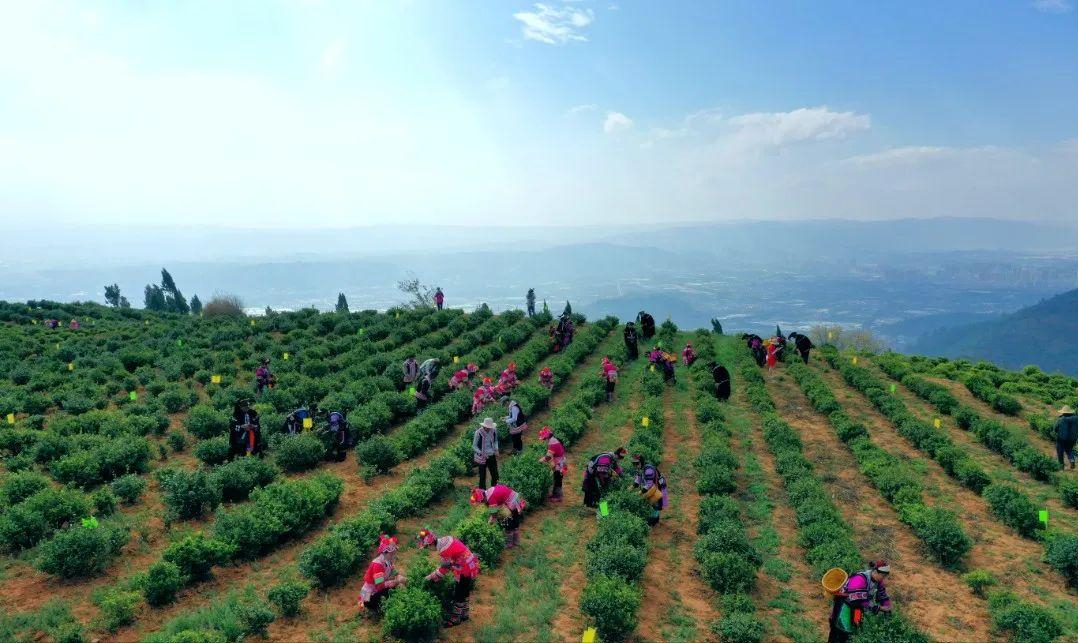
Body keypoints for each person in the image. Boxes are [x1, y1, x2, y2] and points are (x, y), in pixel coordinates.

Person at [417, 528, 480, 626]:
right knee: (465, 590)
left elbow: (444, 568)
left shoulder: (443, 550)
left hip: (465, 568)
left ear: (431, 544)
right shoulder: (446, 539)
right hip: (470, 563)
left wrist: (431, 576)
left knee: (459, 593)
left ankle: (455, 619)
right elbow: (450, 563)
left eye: (427, 547)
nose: (428, 549)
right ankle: (465, 614)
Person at [827, 560, 893, 643]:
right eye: (883, 576)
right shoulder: (859, 579)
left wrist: (887, 606)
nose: (883, 579)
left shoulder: (878, 581)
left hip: (856, 610)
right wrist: (879, 608)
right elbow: (861, 601)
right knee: (839, 634)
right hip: (843, 608)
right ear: (876, 572)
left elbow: (882, 595)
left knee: (851, 635)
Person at [358, 534, 405, 614]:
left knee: (398, 585)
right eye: (393, 553)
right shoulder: (378, 565)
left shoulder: (388, 561)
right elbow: (379, 585)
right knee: (394, 588)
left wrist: (398, 575)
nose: (394, 554)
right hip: (368, 595)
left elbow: (393, 570)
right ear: (386, 553)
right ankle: (370, 609)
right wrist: (396, 582)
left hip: (375, 591)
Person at [631, 454, 668, 526]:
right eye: (634, 464)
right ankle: (654, 521)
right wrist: (632, 487)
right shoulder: (640, 469)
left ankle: (654, 522)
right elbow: (638, 480)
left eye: (637, 463)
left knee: (655, 503)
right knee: (651, 502)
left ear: (641, 462)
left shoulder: (648, 470)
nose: (635, 465)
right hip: (652, 487)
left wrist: (640, 492)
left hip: (657, 487)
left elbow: (649, 484)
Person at [538, 426, 566, 502]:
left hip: (559, 464)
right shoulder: (553, 440)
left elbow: (548, 457)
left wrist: (540, 461)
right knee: (556, 478)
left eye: (543, 438)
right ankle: (555, 494)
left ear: (546, 437)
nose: (543, 439)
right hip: (559, 462)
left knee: (558, 479)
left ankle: (558, 497)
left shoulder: (553, 443)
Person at [473, 417, 499, 488]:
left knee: (495, 474)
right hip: (482, 457)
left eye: (489, 427)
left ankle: (494, 489)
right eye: (487, 427)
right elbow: (474, 446)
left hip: (491, 454)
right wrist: (482, 453)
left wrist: (496, 449)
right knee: (482, 475)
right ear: (484, 426)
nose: (488, 428)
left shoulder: (493, 430)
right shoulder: (478, 433)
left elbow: (496, 441)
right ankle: (482, 492)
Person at [1055, 405, 1078, 470]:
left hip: (1061, 438)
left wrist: (1056, 432)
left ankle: (1061, 466)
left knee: (1060, 451)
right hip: (1072, 438)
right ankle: (1072, 460)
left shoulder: (1060, 418)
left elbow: (1055, 428)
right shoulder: (1076, 418)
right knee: (1069, 449)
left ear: (1063, 412)